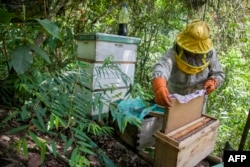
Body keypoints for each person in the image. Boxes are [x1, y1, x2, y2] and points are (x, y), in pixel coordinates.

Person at [152, 20, 225, 108]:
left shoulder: (210, 53)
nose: (193, 52)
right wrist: (159, 87)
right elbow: (161, 67)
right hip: (173, 104)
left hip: (197, 105)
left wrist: (213, 81)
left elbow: (218, 73)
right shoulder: (174, 53)